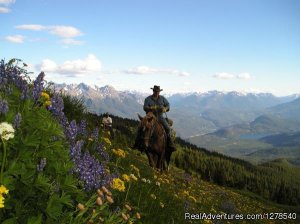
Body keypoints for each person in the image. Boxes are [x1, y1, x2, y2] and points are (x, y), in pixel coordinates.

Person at [133, 85, 176, 151]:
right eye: (156, 91)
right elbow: (145, 107)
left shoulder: (162, 98)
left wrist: (166, 108)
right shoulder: (148, 99)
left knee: (167, 128)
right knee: (140, 127)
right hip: (150, 117)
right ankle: (137, 143)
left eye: (158, 91)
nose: (157, 93)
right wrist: (151, 108)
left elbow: (168, 105)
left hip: (160, 117)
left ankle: (170, 143)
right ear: (153, 91)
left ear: (159, 92)